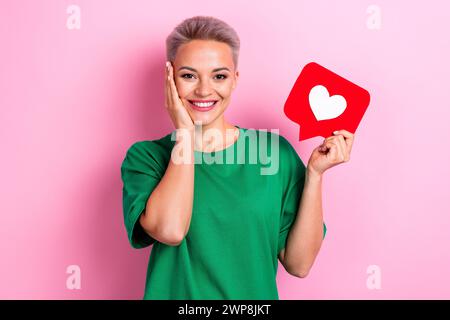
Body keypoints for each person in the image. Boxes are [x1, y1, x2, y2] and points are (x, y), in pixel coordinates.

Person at [120, 15, 355, 300]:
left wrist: (315, 175)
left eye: (219, 76)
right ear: (170, 79)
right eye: (188, 75)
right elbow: (170, 230)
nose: (204, 90)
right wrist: (185, 132)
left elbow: (299, 264)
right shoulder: (146, 158)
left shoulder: (273, 155)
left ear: (234, 80)